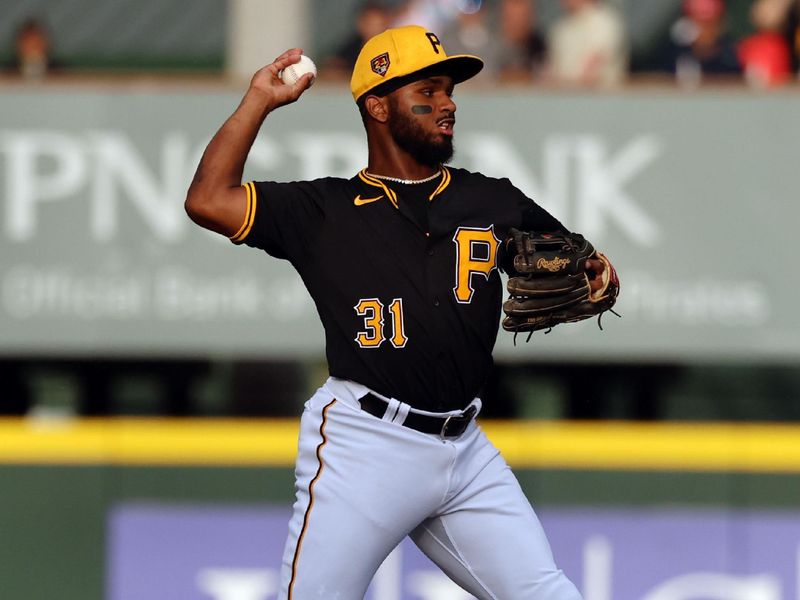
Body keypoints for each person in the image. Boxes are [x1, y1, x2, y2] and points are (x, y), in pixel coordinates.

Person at [185, 25, 603, 599]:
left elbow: (578, 263)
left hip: (464, 448)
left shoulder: (491, 199)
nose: (447, 103)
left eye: (449, 91)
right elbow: (207, 199)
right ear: (378, 105)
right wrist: (258, 100)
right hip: (367, 444)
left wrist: (599, 273)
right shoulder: (322, 211)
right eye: (426, 92)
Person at [547, 0, 628, 88]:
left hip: (601, 97)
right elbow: (554, 69)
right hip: (563, 96)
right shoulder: (560, 28)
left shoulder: (606, 22)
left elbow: (592, 68)